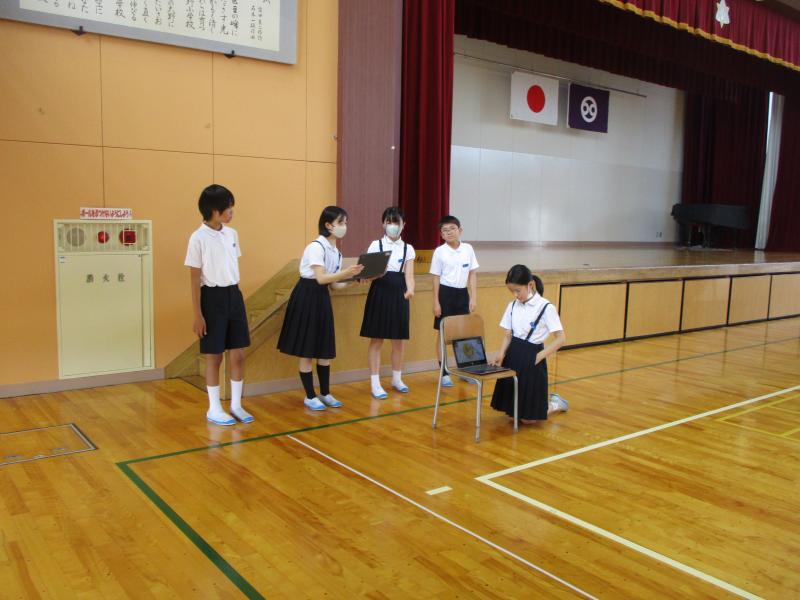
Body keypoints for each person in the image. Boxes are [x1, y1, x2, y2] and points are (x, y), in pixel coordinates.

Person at [277, 206, 364, 410]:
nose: (344, 227)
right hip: (306, 297)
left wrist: (354, 280)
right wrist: (346, 273)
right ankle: (310, 396)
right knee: (307, 350)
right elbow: (320, 278)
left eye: (345, 223)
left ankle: (325, 393)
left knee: (324, 350)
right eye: (340, 223)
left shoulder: (337, 253)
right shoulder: (316, 247)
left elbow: (334, 285)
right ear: (328, 225)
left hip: (322, 298)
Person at [185, 184, 253, 426]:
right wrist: (198, 315)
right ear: (215, 210)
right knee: (214, 356)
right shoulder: (197, 238)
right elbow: (194, 279)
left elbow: (230, 265)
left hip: (234, 294)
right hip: (211, 298)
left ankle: (236, 404)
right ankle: (214, 408)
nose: (232, 212)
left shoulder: (232, 234)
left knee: (239, 354)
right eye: (228, 208)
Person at [490, 264, 568, 423]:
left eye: (518, 290)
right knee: (512, 414)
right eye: (512, 291)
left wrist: (540, 356)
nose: (515, 295)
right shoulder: (512, 305)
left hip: (532, 358)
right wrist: (501, 354)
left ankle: (554, 404)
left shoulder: (546, 307)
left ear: (530, 285)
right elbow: (508, 335)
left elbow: (561, 338)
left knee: (528, 420)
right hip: (513, 356)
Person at [360, 207, 416, 399]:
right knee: (376, 340)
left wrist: (410, 289)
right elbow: (367, 274)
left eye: (396, 222)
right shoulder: (375, 245)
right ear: (383, 224)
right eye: (389, 222)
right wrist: (372, 275)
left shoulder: (409, 248)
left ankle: (397, 379)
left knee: (398, 340)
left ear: (403, 225)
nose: (392, 226)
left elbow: (409, 275)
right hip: (380, 291)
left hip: (399, 293)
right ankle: (375, 383)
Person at [430, 215, 478, 387]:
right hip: (445, 294)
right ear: (441, 234)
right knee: (442, 333)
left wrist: (473, 297)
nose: (449, 232)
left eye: (452, 229)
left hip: (462, 294)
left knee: (463, 334)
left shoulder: (468, 249)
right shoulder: (439, 251)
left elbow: (472, 274)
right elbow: (435, 278)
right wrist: (436, 302)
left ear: (460, 230)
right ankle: (444, 372)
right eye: (445, 230)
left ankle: (465, 370)